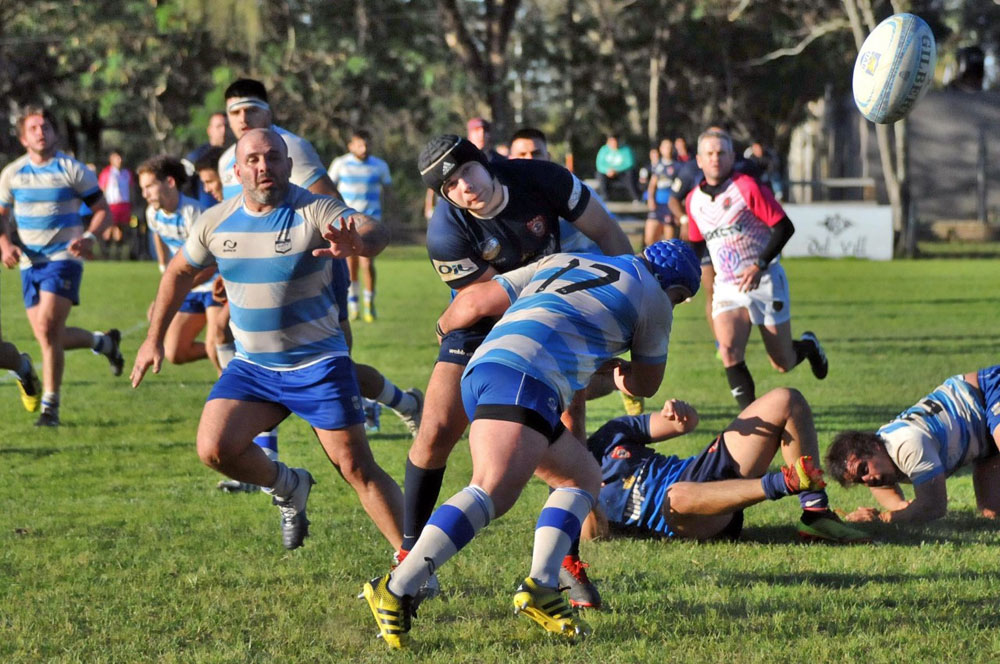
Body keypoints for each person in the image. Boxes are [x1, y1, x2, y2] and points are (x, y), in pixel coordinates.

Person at [361, 239, 699, 649]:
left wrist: (442, 333)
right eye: (679, 299)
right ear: (674, 288)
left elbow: (474, 302)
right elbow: (645, 383)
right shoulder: (655, 297)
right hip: (527, 377)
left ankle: (542, 585)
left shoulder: (567, 259)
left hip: (484, 367)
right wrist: (615, 368)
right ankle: (396, 588)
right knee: (490, 490)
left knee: (582, 477)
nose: (674, 306)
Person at [130, 128, 404, 552]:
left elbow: (375, 230)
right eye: (253, 160)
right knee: (214, 449)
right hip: (254, 368)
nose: (264, 167)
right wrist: (153, 338)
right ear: (236, 171)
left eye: (274, 157)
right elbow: (179, 272)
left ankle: (414, 563)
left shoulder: (313, 208)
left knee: (356, 468)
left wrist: (358, 242)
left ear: (288, 165)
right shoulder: (215, 221)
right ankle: (289, 485)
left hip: (317, 364)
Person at [400, 134, 634, 606]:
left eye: (467, 171)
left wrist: (627, 295)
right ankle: (407, 555)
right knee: (436, 430)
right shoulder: (445, 232)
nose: (465, 187)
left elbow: (608, 233)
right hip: (481, 317)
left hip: (551, 313)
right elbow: (489, 299)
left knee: (570, 430)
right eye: (450, 186)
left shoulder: (542, 178)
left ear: (484, 161)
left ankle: (565, 563)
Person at [214, 78, 422, 492]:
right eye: (235, 111)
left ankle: (404, 402)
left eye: (251, 109)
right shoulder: (228, 160)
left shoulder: (291, 147)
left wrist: (344, 247)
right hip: (259, 277)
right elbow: (239, 221)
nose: (243, 118)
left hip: (317, 268)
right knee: (253, 353)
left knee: (337, 366)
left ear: (268, 112)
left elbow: (330, 206)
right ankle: (266, 461)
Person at [581, 389, 871, 543]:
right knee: (676, 496)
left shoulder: (610, 433)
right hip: (686, 516)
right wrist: (581, 485)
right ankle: (782, 483)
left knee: (786, 400)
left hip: (699, 470)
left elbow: (684, 424)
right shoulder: (566, 490)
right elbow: (595, 537)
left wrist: (679, 413)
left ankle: (816, 514)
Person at [0, 106, 124, 427]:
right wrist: (6, 245)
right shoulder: (12, 174)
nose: (41, 132)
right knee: (49, 337)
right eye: (33, 128)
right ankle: (104, 343)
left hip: (64, 257)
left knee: (47, 329)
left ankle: (50, 408)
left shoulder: (72, 169)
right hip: (29, 262)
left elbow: (103, 210)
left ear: (55, 133)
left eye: (46, 127)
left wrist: (90, 237)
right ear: (23, 138)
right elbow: (1, 217)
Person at [686, 129, 828, 409]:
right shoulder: (694, 200)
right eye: (709, 154)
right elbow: (696, 245)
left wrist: (759, 265)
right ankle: (751, 422)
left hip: (765, 280)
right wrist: (685, 280)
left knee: (782, 362)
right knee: (728, 351)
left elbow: (784, 227)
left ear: (732, 157)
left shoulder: (746, 187)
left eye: (721, 153)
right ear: (699, 160)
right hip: (727, 287)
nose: (715, 158)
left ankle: (809, 345)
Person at [826, 366, 1000, 525]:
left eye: (863, 469)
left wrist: (881, 519)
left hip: (987, 393)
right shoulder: (880, 463)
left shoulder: (907, 444)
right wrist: (900, 509)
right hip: (983, 440)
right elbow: (902, 507)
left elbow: (933, 506)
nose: (867, 480)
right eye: (859, 481)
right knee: (992, 514)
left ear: (873, 446)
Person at [138, 155, 223, 372]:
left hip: (214, 284)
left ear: (170, 182)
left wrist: (173, 292)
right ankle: (233, 352)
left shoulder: (193, 213)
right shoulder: (152, 213)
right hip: (190, 284)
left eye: (149, 186)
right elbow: (158, 235)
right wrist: (163, 268)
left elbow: (212, 264)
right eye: (142, 188)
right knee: (175, 351)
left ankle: (229, 372)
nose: (144, 194)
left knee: (216, 348)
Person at [328, 129, 392, 323]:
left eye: (367, 144)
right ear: (350, 146)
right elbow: (329, 190)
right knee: (350, 265)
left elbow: (389, 192)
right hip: (347, 222)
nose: (364, 148)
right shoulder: (340, 164)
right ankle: (353, 305)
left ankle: (369, 304)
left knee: (367, 263)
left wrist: (388, 217)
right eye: (359, 144)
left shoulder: (380, 165)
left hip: (371, 222)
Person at [423, 117, 504, 220]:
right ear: (469, 134)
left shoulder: (501, 160)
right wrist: (429, 207)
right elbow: (434, 186)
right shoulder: (454, 155)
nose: (481, 135)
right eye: (476, 131)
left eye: (485, 131)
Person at [184, 111, 229, 209]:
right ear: (209, 130)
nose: (223, 130)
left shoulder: (236, 152)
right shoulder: (195, 157)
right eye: (218, 126)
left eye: (226, 126)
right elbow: (182, 187)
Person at [98, 149, 136, 260]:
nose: (119, 160)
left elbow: (131, 189)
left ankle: (118, 253)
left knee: (122, 229)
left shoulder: (127, 173)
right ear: (111, 159)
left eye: (120, 158)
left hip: (125, 205)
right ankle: (105, 253)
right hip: (111, 206)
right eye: (117, 158)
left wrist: (133, 203)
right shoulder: (107, 173)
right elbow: (102, 190)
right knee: (109, 229)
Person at [645, 138, 681, 246]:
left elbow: (681, 188)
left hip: (670, 206)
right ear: (661, 149)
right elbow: (652, 185)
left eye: (670, 147)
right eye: (665, 147)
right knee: (649, 238)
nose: (668, 150)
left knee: (669, 242)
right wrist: (651, 199)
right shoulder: (657, 166)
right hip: (658, 205)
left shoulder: (677, 166)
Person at [595, 134, 640, 202]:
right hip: (608, 174)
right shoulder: (603, 150)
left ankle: (636, 198)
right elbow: (599, 164)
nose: (613, 145)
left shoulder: (626, 149)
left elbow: (629, 163)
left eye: (615, 142)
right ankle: (605, 198)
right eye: (611, 142)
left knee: (630, 173)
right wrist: (607, 170)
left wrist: (616, 170)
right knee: (599, 174)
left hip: (621, 173)